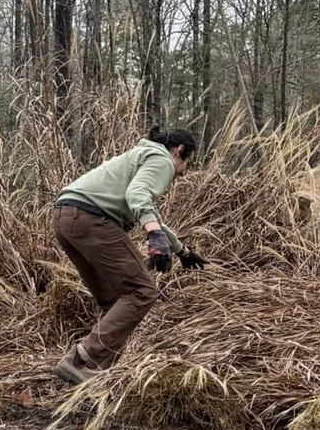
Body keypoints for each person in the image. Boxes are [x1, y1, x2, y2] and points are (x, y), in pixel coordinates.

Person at [51, 124, 205, 383]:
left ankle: (97, 370)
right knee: (141, 291)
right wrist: (153, 234)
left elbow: (147, 210)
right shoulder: (162, 160)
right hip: (91, 219)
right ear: (179, 151)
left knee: (115, 300)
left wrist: (182, 250)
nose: (183, 173)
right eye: (187, 163)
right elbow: (137, 195)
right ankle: (82, 359)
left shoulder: (140, 155)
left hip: (66, 219)